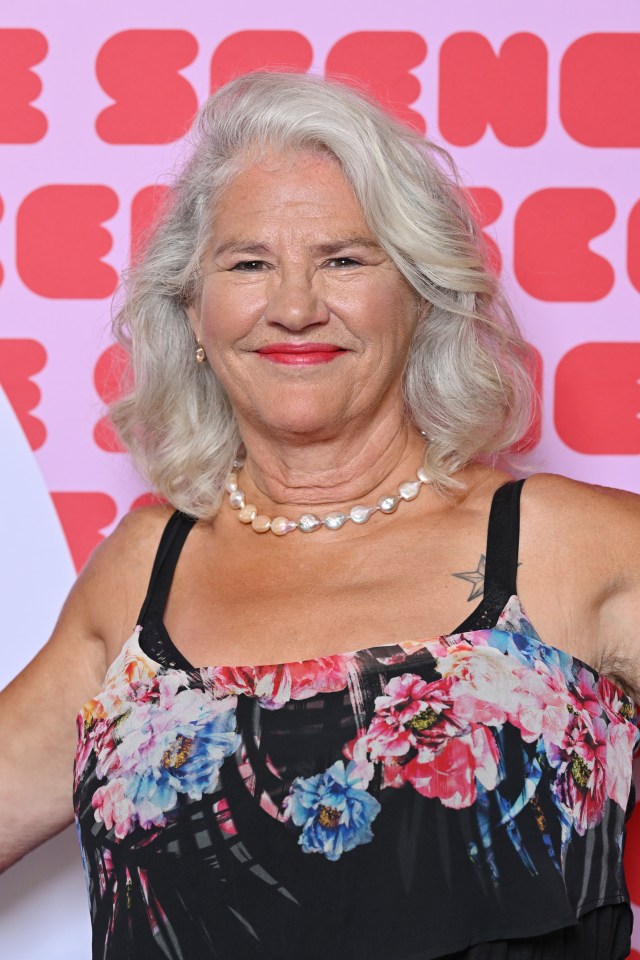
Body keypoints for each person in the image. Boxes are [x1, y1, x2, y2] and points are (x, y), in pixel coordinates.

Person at [1, 71, 639, 960]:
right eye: (249, 263)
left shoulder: (582, 545)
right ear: (192, 308)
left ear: (421, 295)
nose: (296, 307)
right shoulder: (144, 567)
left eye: (345, 259)